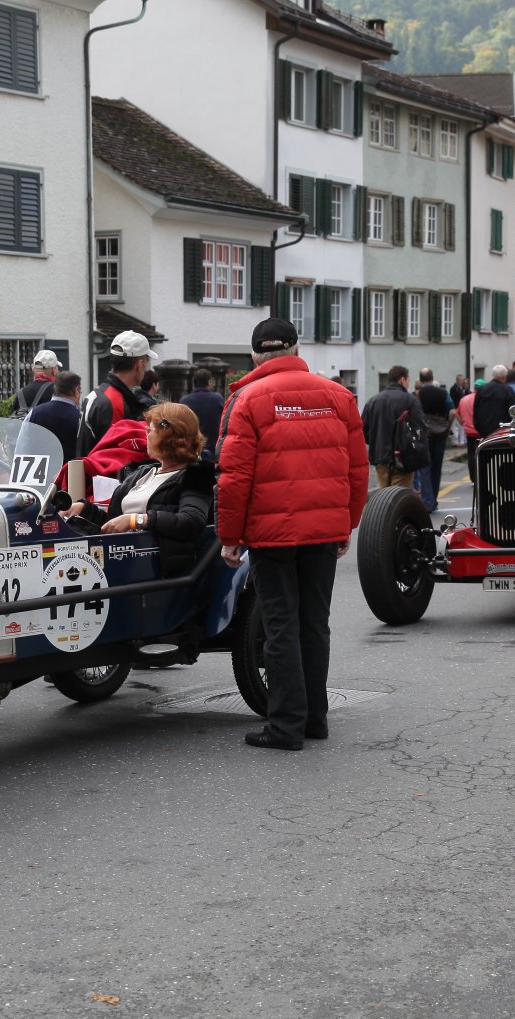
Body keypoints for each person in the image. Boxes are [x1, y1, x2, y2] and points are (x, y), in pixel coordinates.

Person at [216, 319, 365, 751]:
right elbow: (357, 468)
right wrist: (347, 524)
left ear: (255, 357)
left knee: (280, 626)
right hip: (323, 529)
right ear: (297, 350)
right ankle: (315, 719)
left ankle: (285, 726)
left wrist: (230, 536)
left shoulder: (246, 399)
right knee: (314, 625)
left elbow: (233, 476)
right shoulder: (338, 396)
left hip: (271, 533)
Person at [80, 403, 214, 576]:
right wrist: (84, 509)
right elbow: (114, 522)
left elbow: (191, 521)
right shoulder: (142, 472)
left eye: (150, 430)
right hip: (122, 562)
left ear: (167, 437)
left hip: (158, 570)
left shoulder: (196, 475)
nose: (146, 435)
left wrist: (135, 520)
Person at [84, 332, 158, 448]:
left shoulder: (101, 393)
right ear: (139, 365)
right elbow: (113, 454)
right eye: (146, 364)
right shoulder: (115, 403)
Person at [362, 364, 427, 490]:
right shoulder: (410, 400)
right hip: (404, 457)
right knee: (399, 496)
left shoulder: (373, 401)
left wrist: (376, 441)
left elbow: (363, 429)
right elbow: (419, 428)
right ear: (402, 380)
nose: (408, 384)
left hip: (380, 457)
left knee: (385, 495)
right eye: (408, 380)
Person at [414, 368, 453, 513]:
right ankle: (434, 499)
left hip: (424, 433)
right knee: (437, 467)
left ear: (420, 379)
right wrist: (447, 425)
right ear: (432, 378)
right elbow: (452, 411)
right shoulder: (442, 392)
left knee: (425, 467)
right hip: (440, 433)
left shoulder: (418, 394)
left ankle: (428, 501)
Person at [26, 371, 83, 463]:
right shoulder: (79, 418)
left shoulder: (34, 413)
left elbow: (22, 447)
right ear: (76, 391)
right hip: (67, 470)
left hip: (39, 470)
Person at [471, 368, 515, 480]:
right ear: (504, 377)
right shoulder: (507, 390)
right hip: (503, 432)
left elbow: (476, 410)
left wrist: (480, 429)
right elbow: (513, 412)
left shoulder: (482, 390)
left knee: (486, 460)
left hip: (485, 432)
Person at [180, 368, 225, 460]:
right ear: (208, 382)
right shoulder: (217, 399)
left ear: (194, 383)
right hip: (213, 448)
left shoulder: (184, 401)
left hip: (191, 448)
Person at [10, 349, 60, 417]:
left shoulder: (21, 393)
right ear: (54, 370)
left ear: (33, 369)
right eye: (57, 368)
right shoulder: (57, 391)